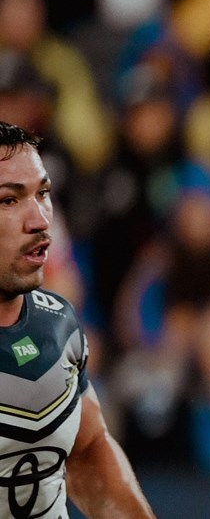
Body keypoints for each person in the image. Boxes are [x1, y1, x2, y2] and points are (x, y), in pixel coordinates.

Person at [0, 122, 154, 517]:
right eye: (9, 200)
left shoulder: (58, 324)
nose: (40, 220)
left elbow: (86, 454)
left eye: (43, 194)